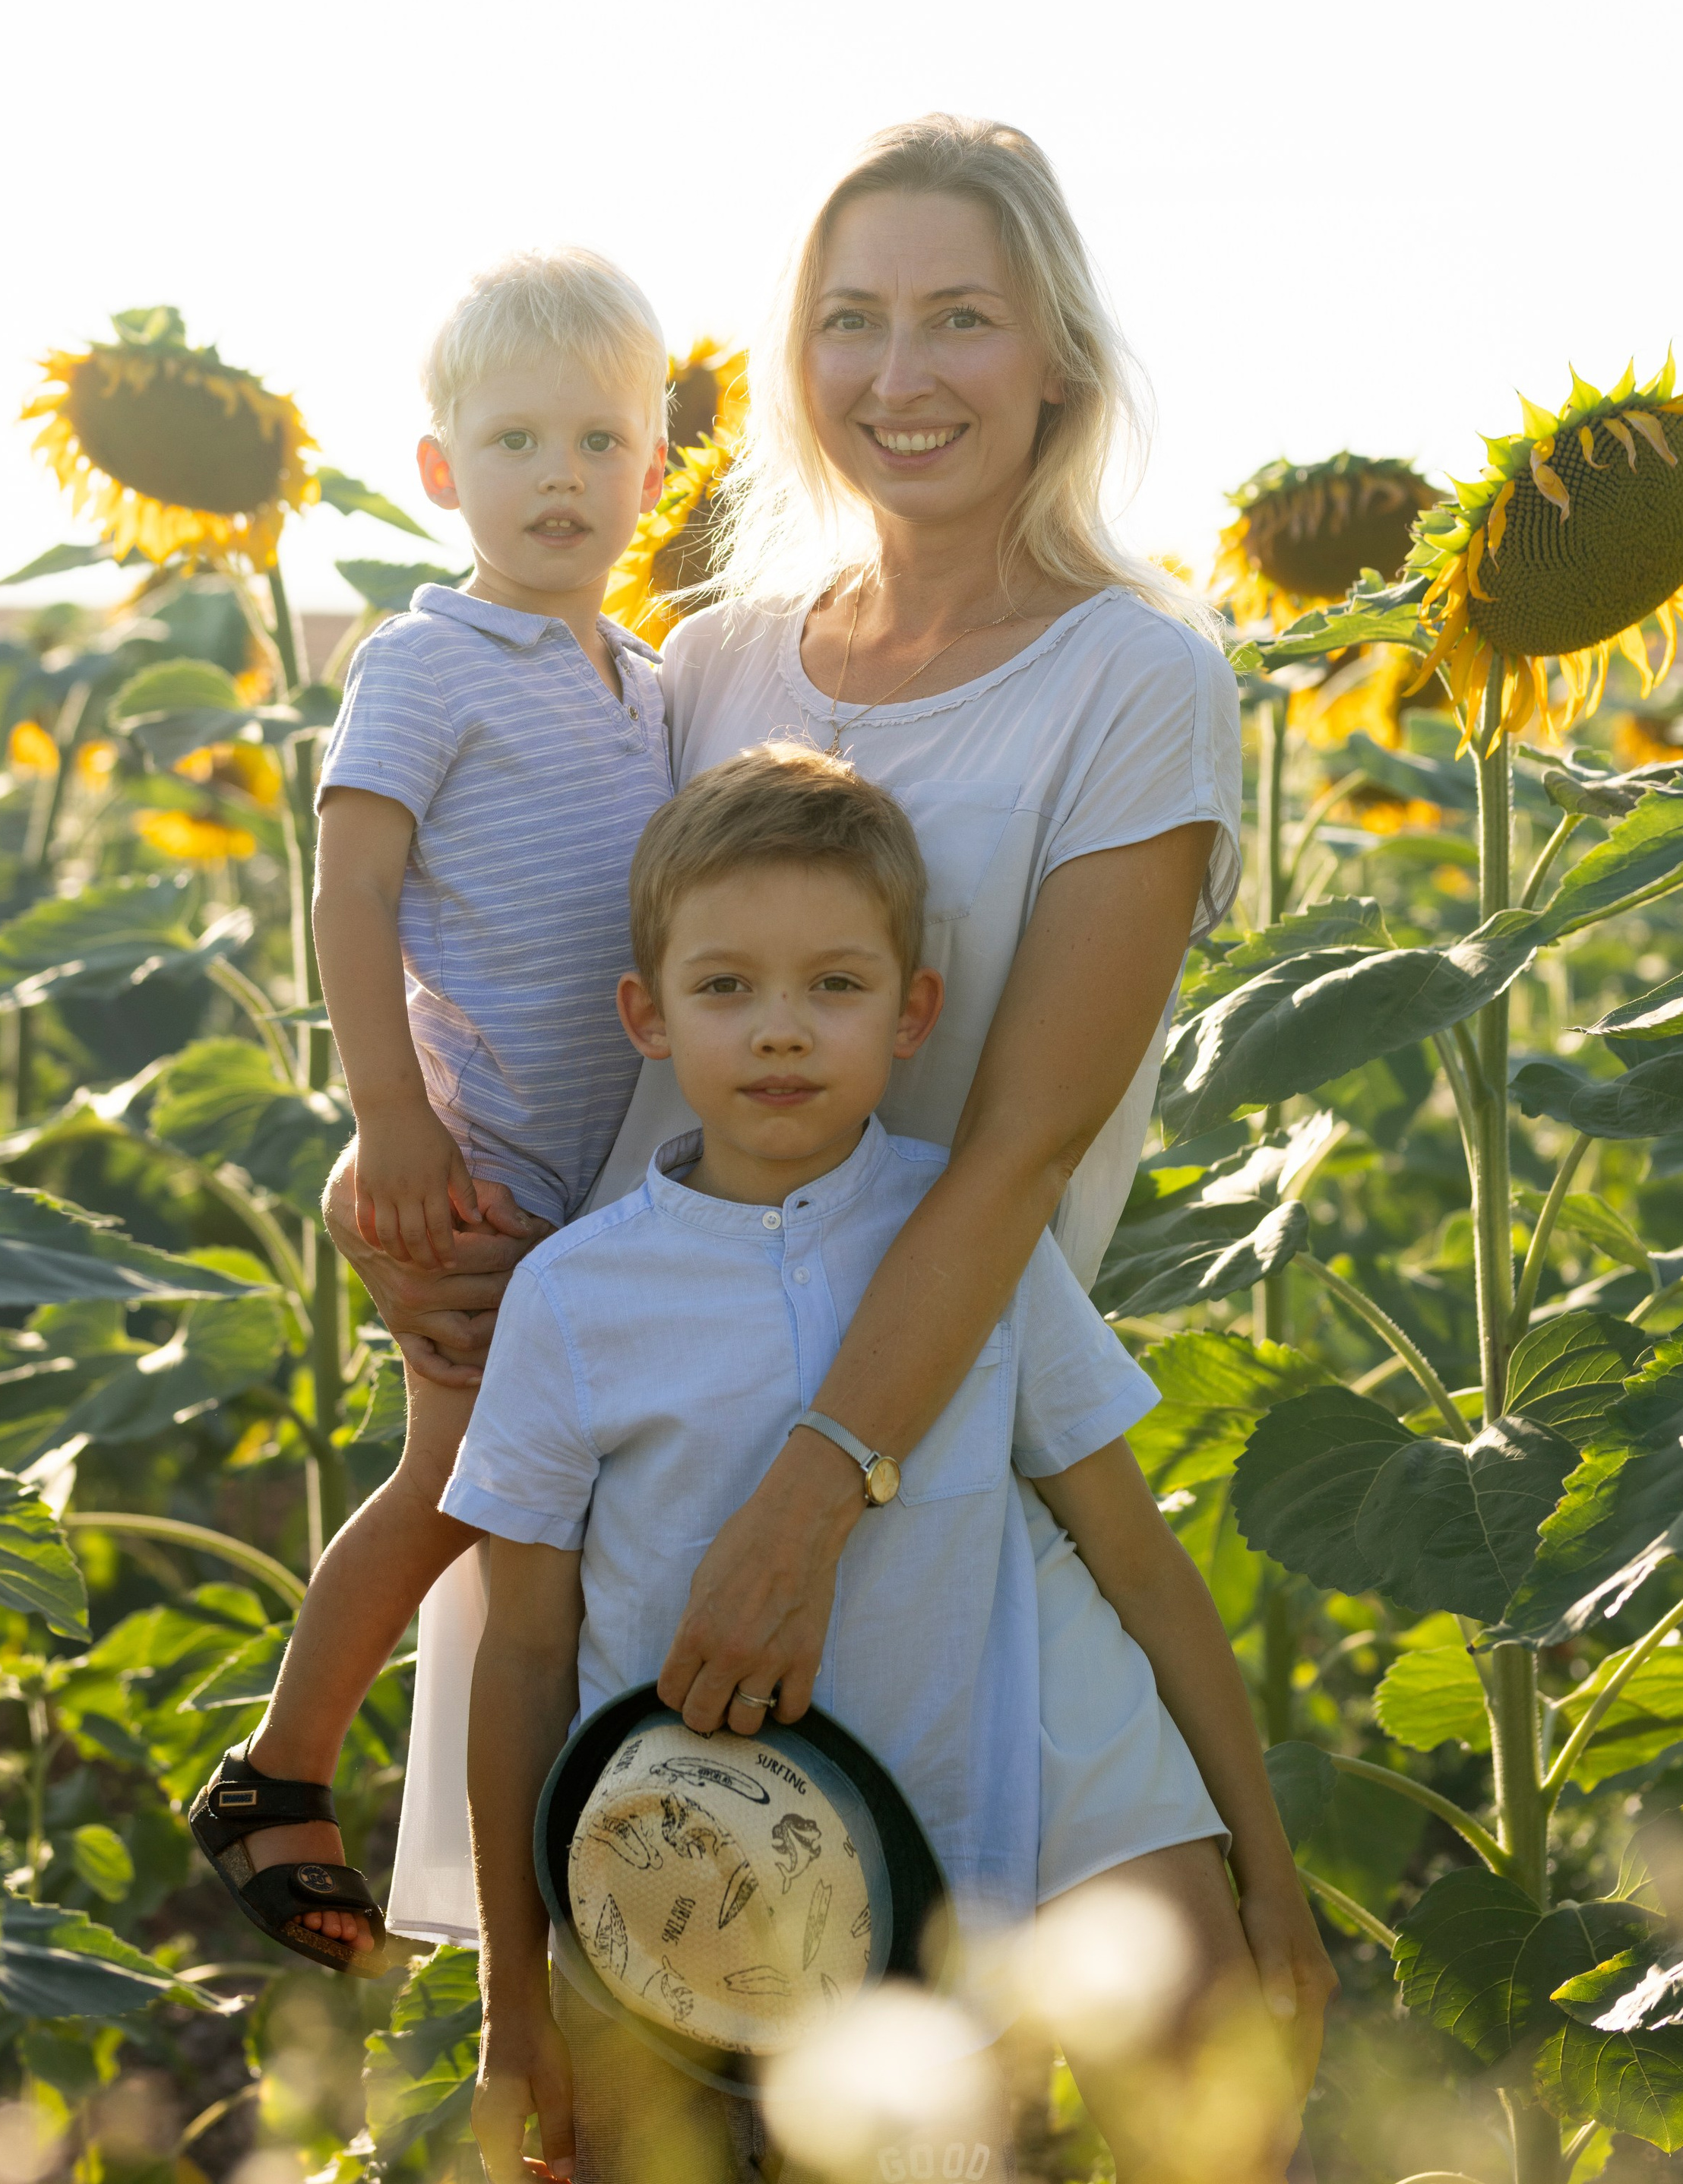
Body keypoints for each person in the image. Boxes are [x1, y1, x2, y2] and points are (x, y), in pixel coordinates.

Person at [332, 115, 1336, 2094]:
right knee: (697, 2071)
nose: (899, 373)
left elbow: (1028, 1138)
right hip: (654, 1430)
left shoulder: (1138, 679)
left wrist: (817, 1485)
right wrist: (426, 1210)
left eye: (959, 317)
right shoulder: (701, 659)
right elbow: (537, 977)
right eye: (851, 319)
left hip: (951, 1422)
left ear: (1057, 351)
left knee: (1196, 2043)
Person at [454, 746, 1306, 2184]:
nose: (780, 1031)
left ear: (915, 1013)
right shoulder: (571, 1299)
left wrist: (1268, 1874)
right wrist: (512, 1995)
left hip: (963, 1907)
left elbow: (1135, 1552)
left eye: (835, 986)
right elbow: (525, 1647)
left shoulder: (968, 1251)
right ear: (645, 1015)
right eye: (726, 987)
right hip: (681, 1929)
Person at [189, 247, 674, 1966]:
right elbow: (351, 886)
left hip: (596, 1182)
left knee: (532, 1506)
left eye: (601, 440)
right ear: (438, 472)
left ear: (656, 471)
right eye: (518, 438)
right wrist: (380, 1112)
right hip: (472, 1160)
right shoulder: (427, 658)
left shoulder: (649, 681)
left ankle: (554, 1874)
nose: (562, 475)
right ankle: (279, 1764)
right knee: (458, 1481)